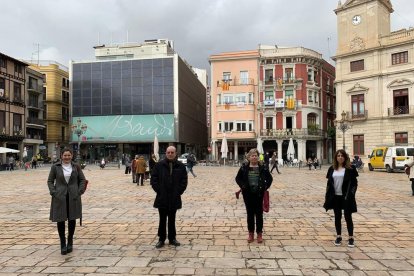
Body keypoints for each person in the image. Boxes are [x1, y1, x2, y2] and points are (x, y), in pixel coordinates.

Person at [47, 148, 86, 255]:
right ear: (61, 156)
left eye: (69, 155)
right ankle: (62, 243)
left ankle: (70, 241)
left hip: (73, 197)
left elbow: (82, 180)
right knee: (61, 220)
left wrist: (79, 191)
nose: (67, 157)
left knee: (72, 219)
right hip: (60, 197)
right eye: (65, 155)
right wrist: (53, 192)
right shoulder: (55, 167)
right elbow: (50, 181)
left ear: (72, 156)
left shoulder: (76, 166)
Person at [151, 146, 188, 248]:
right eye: (168, 152)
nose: (170, 154)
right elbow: (154, 179)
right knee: (162, 219)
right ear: (166, 153)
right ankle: (161, 239)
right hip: (162, 197)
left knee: (172, 219)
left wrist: (178, 191)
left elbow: (184, 181)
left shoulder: (180, 166)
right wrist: (159, 190)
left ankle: (172, 238)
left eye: (172, 152)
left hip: (174, 197)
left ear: (175, 153)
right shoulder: (159, 165)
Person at [235, 148, 273, 243]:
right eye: (252, 155)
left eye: (256, 155)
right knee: (250, 214)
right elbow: (237, 178)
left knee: (259, 214)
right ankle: (251, 234)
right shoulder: (244, 167)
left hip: (259, 194)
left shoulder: (263, 167)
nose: (254, 157)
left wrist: (265, 187)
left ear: (258, 157)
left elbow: (270, 179)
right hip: (248, 194)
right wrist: (243, 186)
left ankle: (259, 234)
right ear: (249, 157)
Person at [323, 149, 359, 247]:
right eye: (338, 156)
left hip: (346, 196)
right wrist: (327, 195)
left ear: (345, 157)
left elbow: (354, 184)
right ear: (336, 157)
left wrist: (351, 194)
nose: (340, 157)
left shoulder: (351, 169)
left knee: (348, 217)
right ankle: (338, 236)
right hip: (335, 196)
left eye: (342, 155)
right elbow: (329, 183)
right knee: (337, 217)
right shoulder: (332, 168)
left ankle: (351, 237)